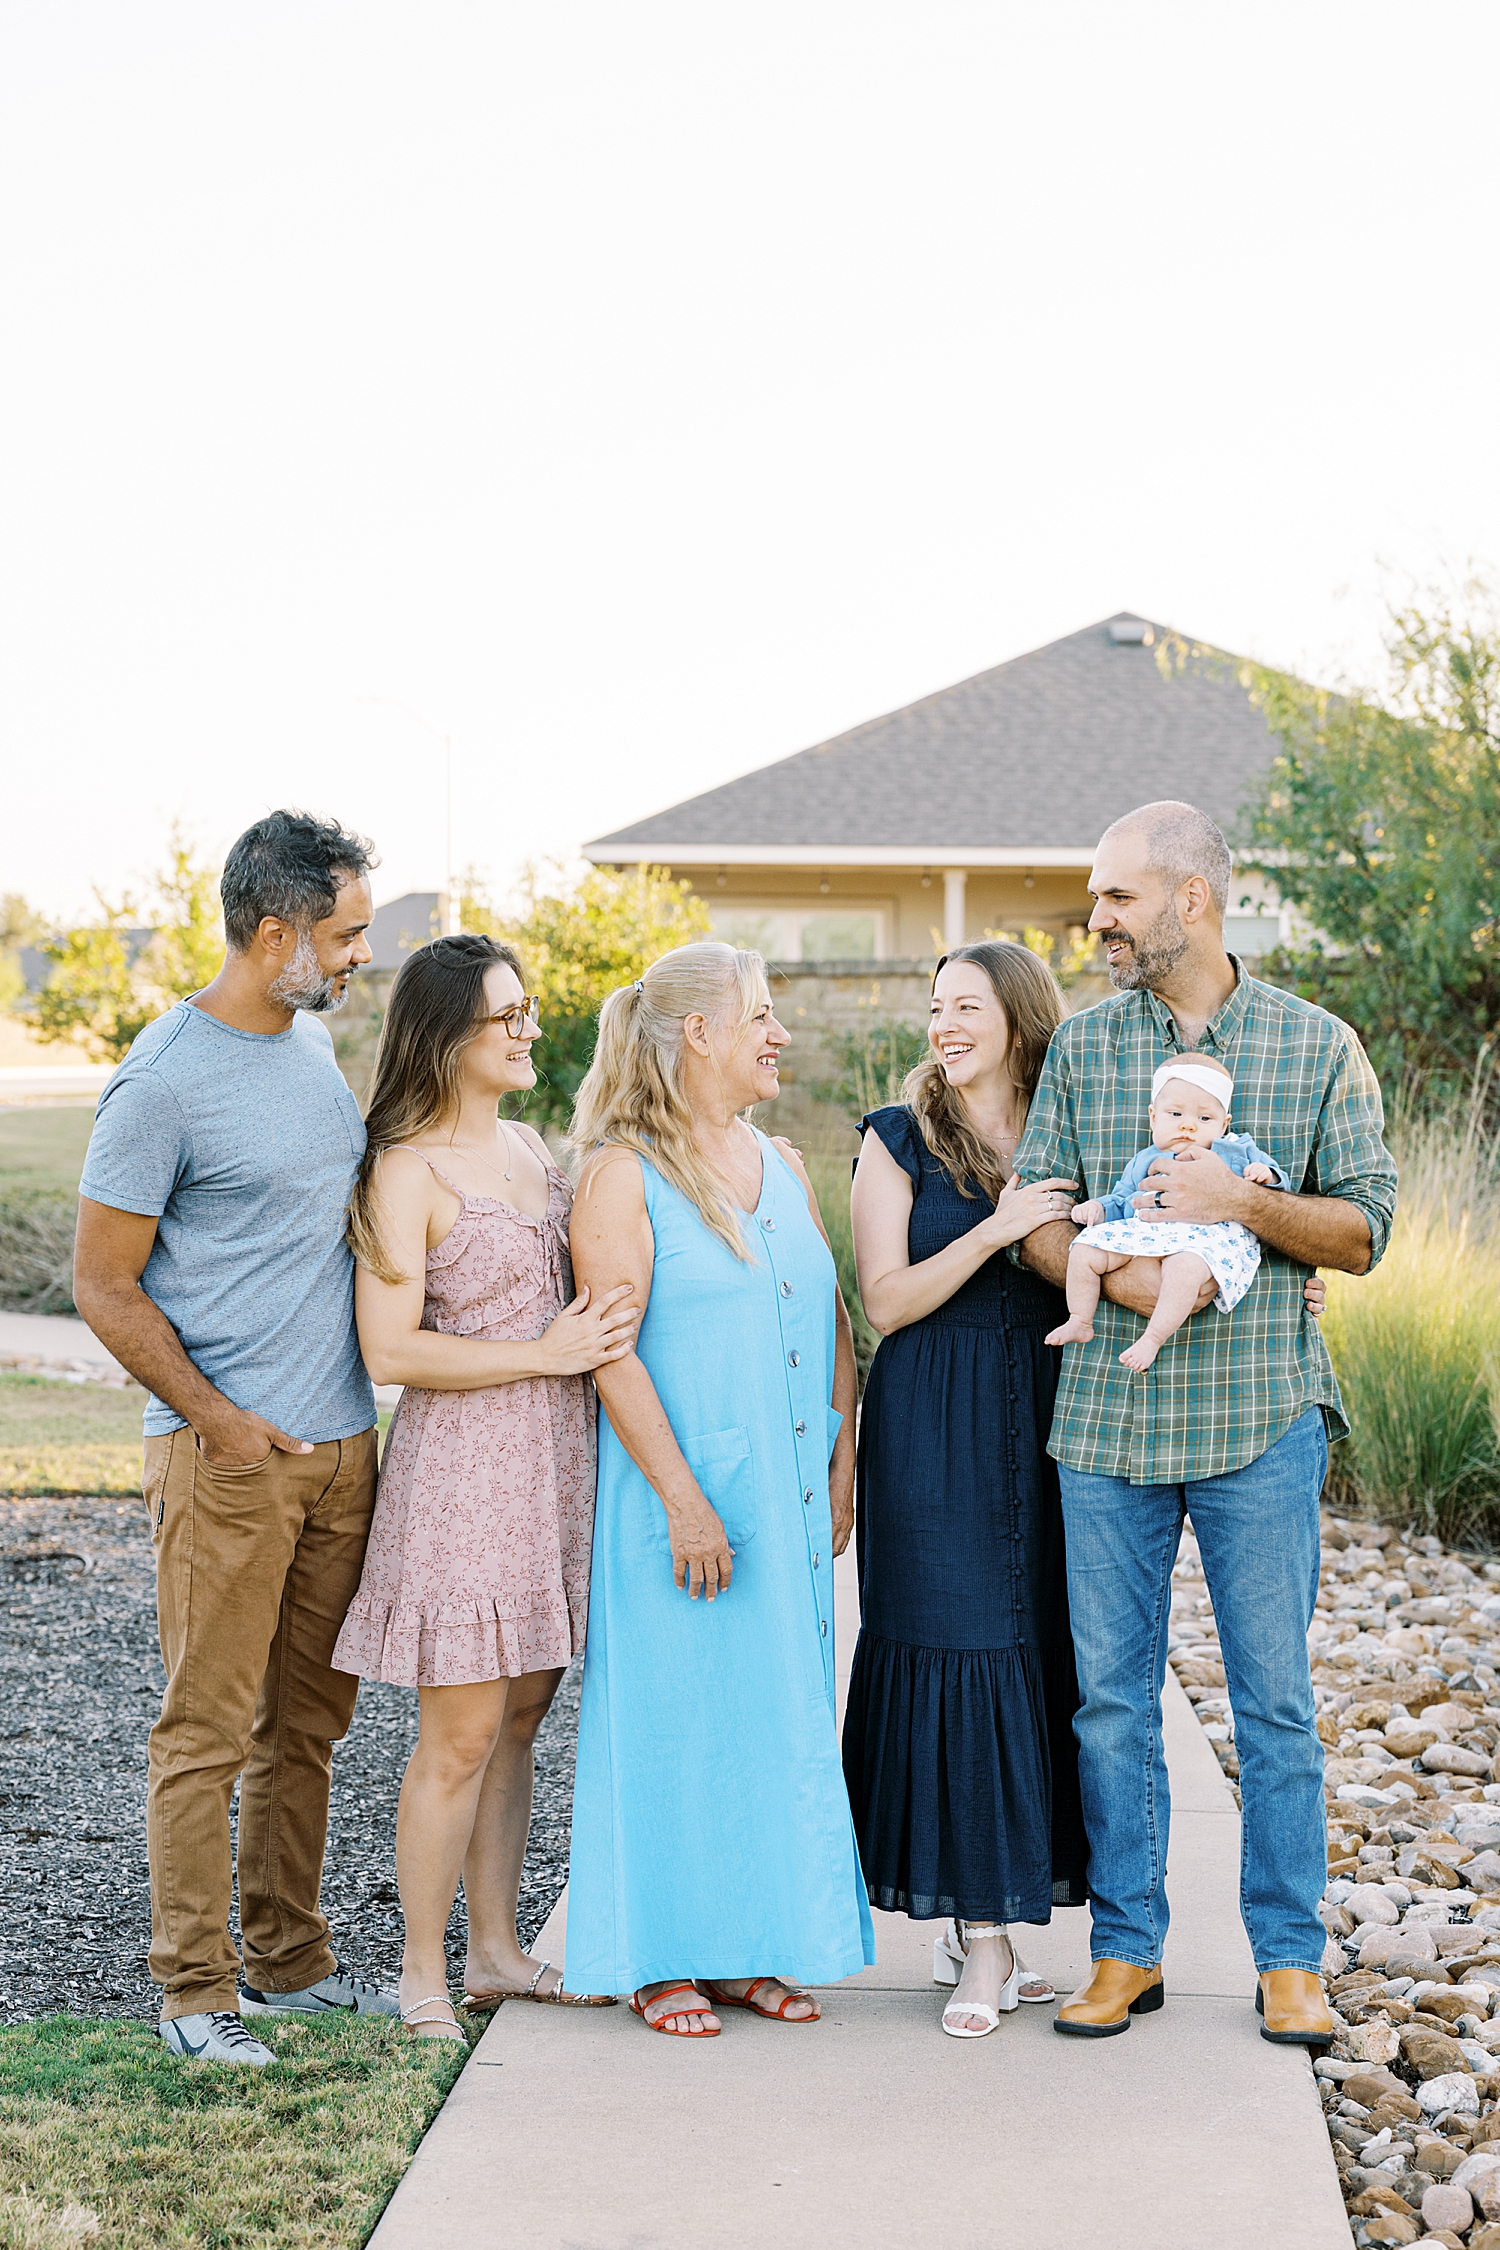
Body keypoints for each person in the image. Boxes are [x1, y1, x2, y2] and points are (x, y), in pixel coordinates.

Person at [1012, 799, 1396, 2045]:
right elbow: (1039, 1208)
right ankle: (1128, 1951)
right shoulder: (1081, 1048)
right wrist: (1121, 1278)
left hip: (1261, 1421)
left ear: (1190, 898)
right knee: (1111, 1704)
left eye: (1118, 897)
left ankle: (1289, 1957)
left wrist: (1238, 1198)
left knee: (1275, 1700)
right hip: (1111, 1431)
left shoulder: (1314, 1045)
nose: (1098, 919)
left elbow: (1365, 1231)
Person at [73, 810, 396, 2066]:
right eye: (348, 932)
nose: (361, 952)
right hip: (227, 1462)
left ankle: (290, 1966)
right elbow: (104, 1283)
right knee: (204, 1732)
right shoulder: (160, 1081)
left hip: (341, 1453)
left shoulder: (311, 1044)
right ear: (277, 935)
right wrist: (215, 1420)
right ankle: (195, 1995)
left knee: (307, 1727)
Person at [562, 942, 874, 2035]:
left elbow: (832, 1316)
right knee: (678, 1726)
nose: (778, 1033)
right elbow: (609, 1351)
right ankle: (659, 1958)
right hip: (678, 1503)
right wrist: (684, 1501)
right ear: (698, 1034)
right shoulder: (620, 1173)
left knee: (774, 1724)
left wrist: (841, 1462)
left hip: (785, 1498)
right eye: (760, 1015)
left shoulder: (778, 1164)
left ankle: (750, 1948)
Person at [332, 933, 639, 2043]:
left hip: (556, 1465)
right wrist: (542, 1357)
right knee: (457, 1736)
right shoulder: (404, 1168)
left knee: (519, 1722)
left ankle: (500, 1953)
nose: (527, 1030)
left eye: (529, 1008)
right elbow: (390, 1351)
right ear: (445, 1034)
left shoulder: (530, 1146)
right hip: (464, 1476)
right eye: (506, 1015)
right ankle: (424, 1972)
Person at [843, 941, 1089, 2040]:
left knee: (1031, 1653)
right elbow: (886, 1300)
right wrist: (996, 1228)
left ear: (1019, 1017)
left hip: (1044, 1423)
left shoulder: (1069, 1130)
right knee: (961, 1644)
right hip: (931, 1428)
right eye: (935, 1006)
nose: (944, 1024)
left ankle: (985, 1921)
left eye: (966, 1006)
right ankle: (983, 1944)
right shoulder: (896, 1139)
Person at [1045, 1054, 1289, 1372]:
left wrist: (1264, 1174)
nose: (1188, 1125)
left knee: (1184, 1269)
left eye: (1204, 1119)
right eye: (1175, 1113)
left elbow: (1276, 1190)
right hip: (1146, 1231)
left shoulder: (1236, 1150)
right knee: (1085, 1248)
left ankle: (1153, 1338)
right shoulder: (1147, 1158)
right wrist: (1100, 1207)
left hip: (1204, 1239)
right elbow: (1123, 1200)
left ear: (1224, 1124)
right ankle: (1080, 1318)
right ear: (1153, 1117)